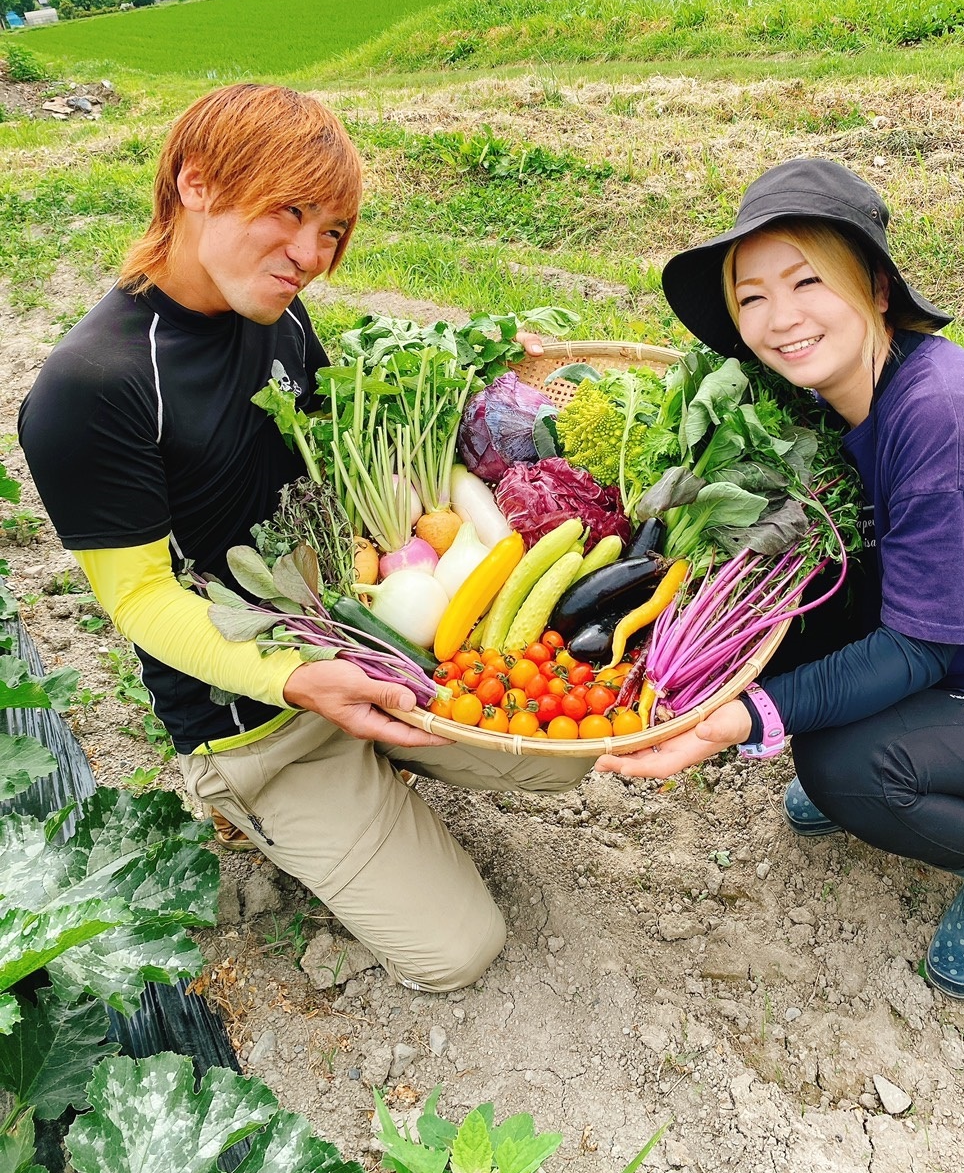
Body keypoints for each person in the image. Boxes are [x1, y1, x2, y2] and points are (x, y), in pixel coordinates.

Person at [19, 82, 590, 993]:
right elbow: (139, 600)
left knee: (567, 765)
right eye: (290, 211)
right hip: (256, 716)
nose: (310, 256)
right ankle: (250, 804)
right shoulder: (94, 389)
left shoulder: (278, 315)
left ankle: (370, 771)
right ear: (195, 183)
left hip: (371, 641)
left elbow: (338, 457)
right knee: (457, 953)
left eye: (331, 230)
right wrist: (292, 676)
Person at [598, 157, 964, 1000]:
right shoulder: (844, 397)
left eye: (806, 282)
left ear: (873, 288)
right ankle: (937, 757)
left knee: (847, 765)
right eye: (751, 296)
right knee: (802, 584)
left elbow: (918, 649)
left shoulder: (948, 422)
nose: (780, 318)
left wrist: (738, 719)